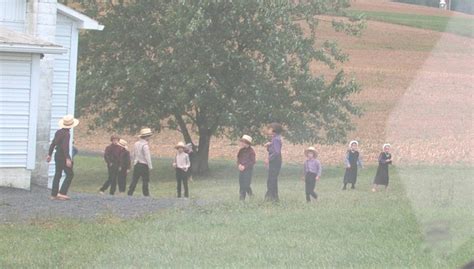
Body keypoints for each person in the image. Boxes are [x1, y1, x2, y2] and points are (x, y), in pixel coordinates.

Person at [46, 115, 79, 200]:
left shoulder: (58, 132)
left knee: (58, 174)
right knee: (70, 174)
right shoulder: (67, 134)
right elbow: (65, 147)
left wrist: (49, 154)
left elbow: (53, 143)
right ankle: (62, 192)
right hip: (63, 156)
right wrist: (68, 158)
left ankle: (54, 194)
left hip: (57, 155)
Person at [128, 128, 153, 196]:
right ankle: (146, 194)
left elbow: (133, 154)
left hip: (137, 164)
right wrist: (150, 166)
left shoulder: (136, 144)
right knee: (145, 180)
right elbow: (147, 157)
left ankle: (130, 192)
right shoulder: (145, 146)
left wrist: (133, 162)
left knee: (134, 179)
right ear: (147, 137)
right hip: (144, 165)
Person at [264, 122, 283, 202]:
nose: (268, 130)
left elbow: (276, 152)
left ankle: (270, 197)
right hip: (276, 160)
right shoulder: (275, 138)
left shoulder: (275, 139)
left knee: (271, 180)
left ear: (274, 130)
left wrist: (269, 159)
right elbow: (273, 150)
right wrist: (269, 145)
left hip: (275, 160)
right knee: (273, 179)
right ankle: (274, 197)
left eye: (270, 129)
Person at [237, 135, 256, 201]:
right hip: (241, 169)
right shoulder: (241, 150)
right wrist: (239, 165)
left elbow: (252, 161)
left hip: (248, 170)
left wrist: (245, 166)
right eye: (241, 142)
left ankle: (245, 198)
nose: (241, 143)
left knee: (246, 184)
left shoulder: (251, 151)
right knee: (242, 184)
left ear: (247, 143)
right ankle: (244, 198)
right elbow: (239, 159)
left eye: (243, 142)